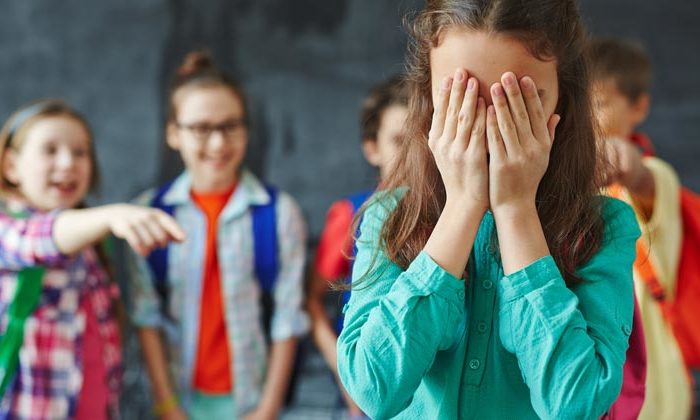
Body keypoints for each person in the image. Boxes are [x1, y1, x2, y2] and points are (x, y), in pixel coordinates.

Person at [336, 1, 641, 418]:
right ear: (428, 99)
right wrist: (462, 207)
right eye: (463, 98)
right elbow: (373, 390)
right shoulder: (389, 217)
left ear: (563, 101)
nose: (488, 125)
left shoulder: (605, 227)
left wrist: (516, 210)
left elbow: (576, 403)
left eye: (518, 102)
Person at [127, 51, 309, 419]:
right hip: (178, 397)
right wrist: (168, 407)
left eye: (230, 126)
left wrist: (268, 408)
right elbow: (146, 317)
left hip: (251, 398)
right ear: (173, 134)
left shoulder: (278, 214)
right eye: (200, 128)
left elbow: (288, 317)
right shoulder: (149, 214)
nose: (217, 144)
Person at [0, 100, 184, 419]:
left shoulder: (90, 242)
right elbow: (38, 238)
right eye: (50, 150)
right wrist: (112, 215)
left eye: (80, 152)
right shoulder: (9, 227)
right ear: (11, 166)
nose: (68, 163)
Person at [589, 37, 694, 419]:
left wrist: (628, 161)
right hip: (592, 376)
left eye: (598, 103)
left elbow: (643, 177)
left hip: (652, 384)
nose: (585, 116)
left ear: (639, 107)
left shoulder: (654, 178)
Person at [308, 76, 408, 419]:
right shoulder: (353, 214)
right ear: (372, 147)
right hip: (363, 390)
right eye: (399, 141)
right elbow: (312, 301)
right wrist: (345, 372)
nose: (413, 153)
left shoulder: (456, 214)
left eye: (422, 139)